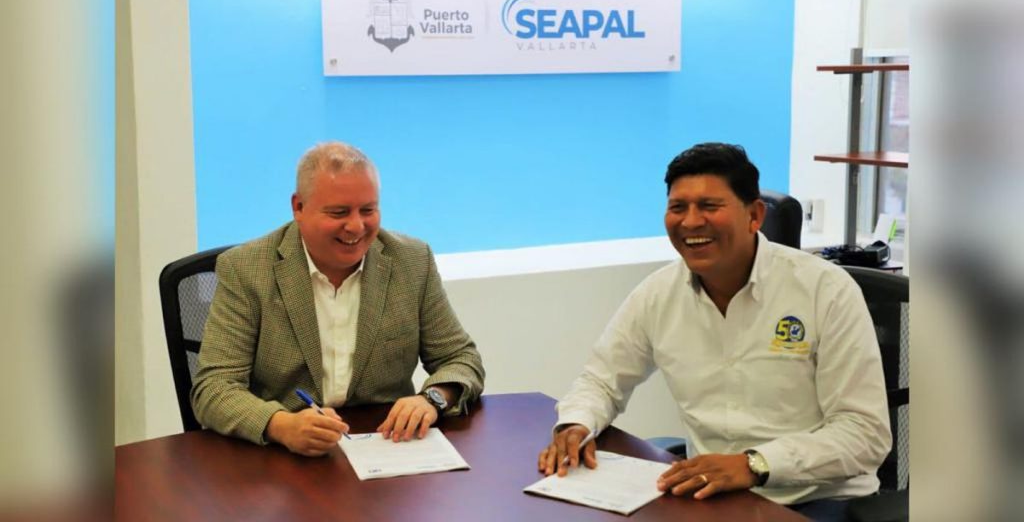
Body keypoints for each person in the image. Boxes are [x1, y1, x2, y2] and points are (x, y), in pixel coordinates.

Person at [537, 143, 890, 521]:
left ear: (754, 215)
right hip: (712, 496)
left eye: (709, 206)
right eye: (678, 207)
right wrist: (576, 424)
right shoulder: (659, 293)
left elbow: (864, 433)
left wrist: (754, 464)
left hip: (819, 500)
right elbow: (601, 380)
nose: (690, 222)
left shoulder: (826, 290)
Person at [192, 142, 485, 456]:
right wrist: (280, 425)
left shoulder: (411, 261)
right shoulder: (246, 268)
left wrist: (432, 399)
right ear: (298, 207)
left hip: (387, 448)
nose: (356, 226)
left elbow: (460, 359)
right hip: (280, 455)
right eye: (339, 212)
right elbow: (214, 387)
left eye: (368, 210)